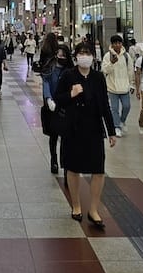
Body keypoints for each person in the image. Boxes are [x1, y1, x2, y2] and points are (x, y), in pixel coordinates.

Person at [54, 42, 116, 228]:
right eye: (81, 53)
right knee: (73, 168)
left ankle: (94, 209)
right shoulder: (68, 75)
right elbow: (58, 99)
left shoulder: (98, 77)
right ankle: (76, 205)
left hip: (94, 128)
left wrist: (111, 131)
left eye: (87, 53)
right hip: (73, 128)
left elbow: (105, 104)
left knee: (98, 169)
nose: (84, 56)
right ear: (75, 56)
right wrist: (71, 94)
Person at [41, 41, 73, 174]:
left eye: (64, 55)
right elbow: (46, 83)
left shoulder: (70, 71)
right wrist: (48, 99)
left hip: (65, 106)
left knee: (65, 137)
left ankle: (65, 163)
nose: (61, 57)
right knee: (53, 136)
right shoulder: (50, 68)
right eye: (59, 55)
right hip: (52, 107)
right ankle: (54, 160)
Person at [102, 34, 134, 137]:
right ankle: (116, 127)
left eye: (119, 43)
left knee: (127, 106)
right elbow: (104, 70)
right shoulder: (108, 56)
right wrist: (111, 63)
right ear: (112, 44)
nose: (117, 45)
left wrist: (131, 84)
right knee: (114, 109)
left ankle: (122, 120)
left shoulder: (126, 56)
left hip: (124, 86)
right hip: (112, 87)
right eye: (115, 43)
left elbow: (130, 70)